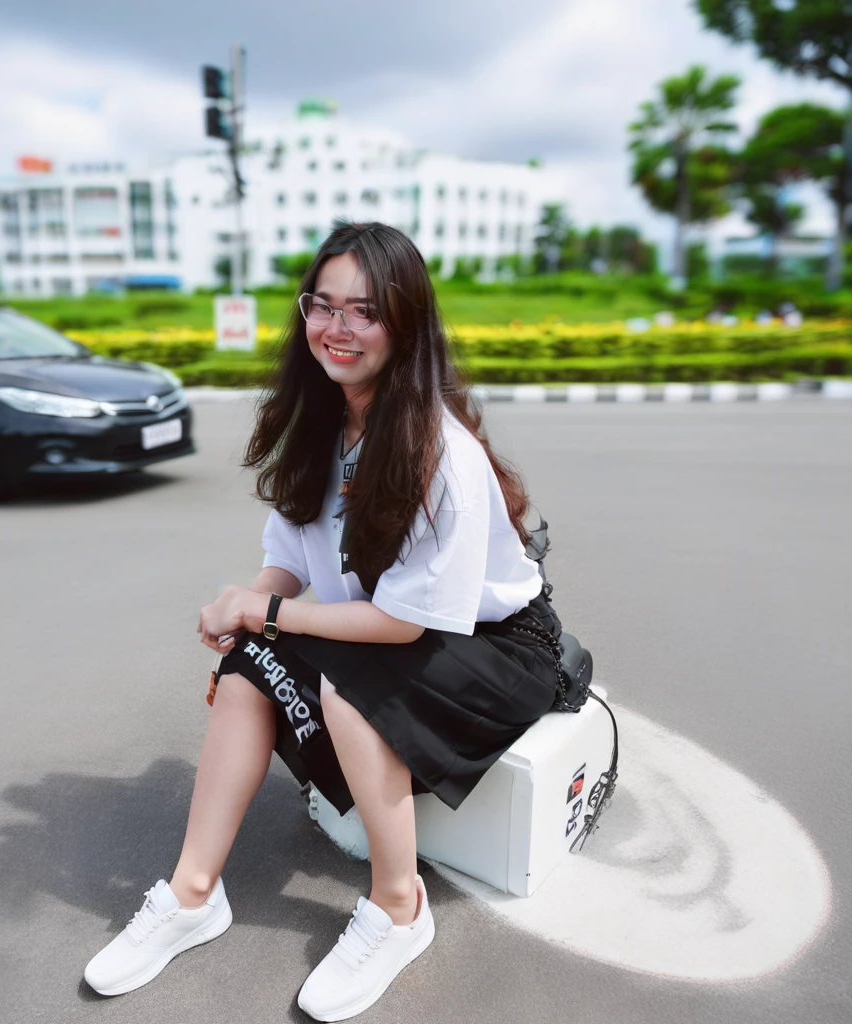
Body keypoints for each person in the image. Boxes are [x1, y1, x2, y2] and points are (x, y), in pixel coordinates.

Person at [83, 222, 565, 1020]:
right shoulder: (321, 424)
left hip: (497, 648)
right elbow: (290, 557)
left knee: (346, 686)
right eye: (323, 305)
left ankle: (399, 907)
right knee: (249, 665)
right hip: (393, 628)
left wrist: (263, 610)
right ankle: (193, 894)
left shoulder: (439, 450)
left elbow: (405, 626)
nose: (337, 328)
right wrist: (251, 614)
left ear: (404, 325)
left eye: (364, 311)